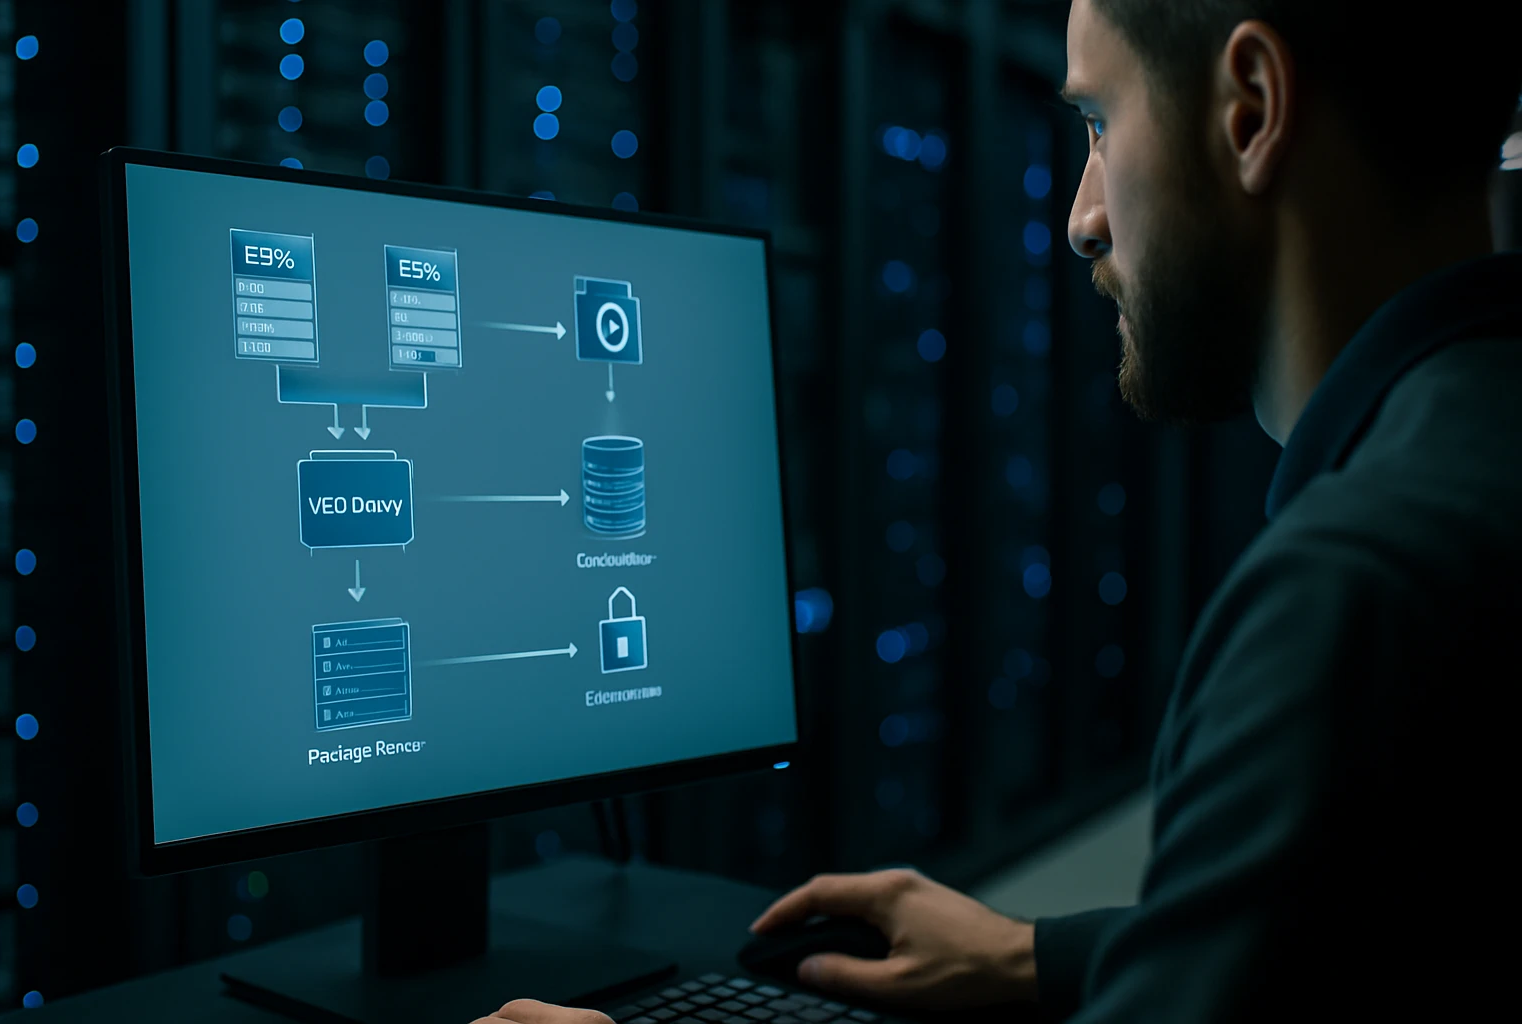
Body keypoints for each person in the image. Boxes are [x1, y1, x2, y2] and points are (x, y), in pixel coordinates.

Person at [474, 0, 1522, 1020]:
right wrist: (1042, 953)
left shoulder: (1353, 591)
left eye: (1101, 123)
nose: (1082, 217)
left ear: (1249, 110)